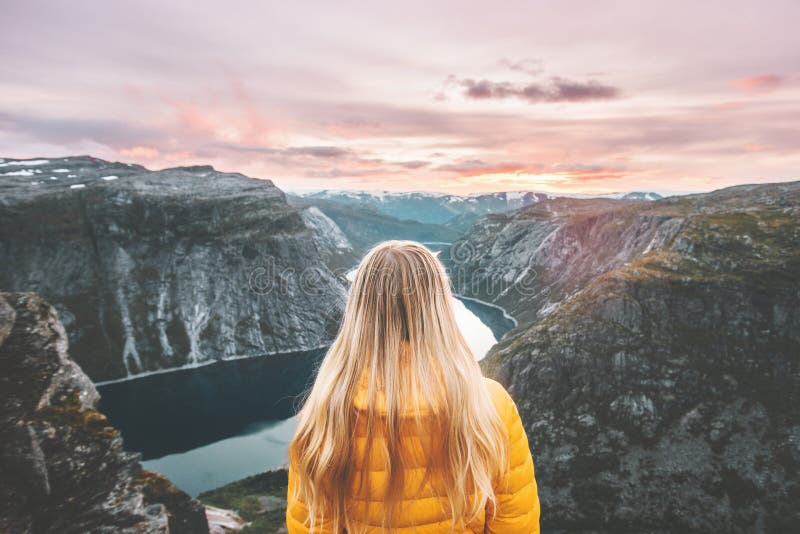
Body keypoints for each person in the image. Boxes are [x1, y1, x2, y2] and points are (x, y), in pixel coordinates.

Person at [287, 240, 540, 533]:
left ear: (360, 309)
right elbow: (516, 523)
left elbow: (311, 525)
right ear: (439, 308)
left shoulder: (327, 408)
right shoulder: (490, 403)